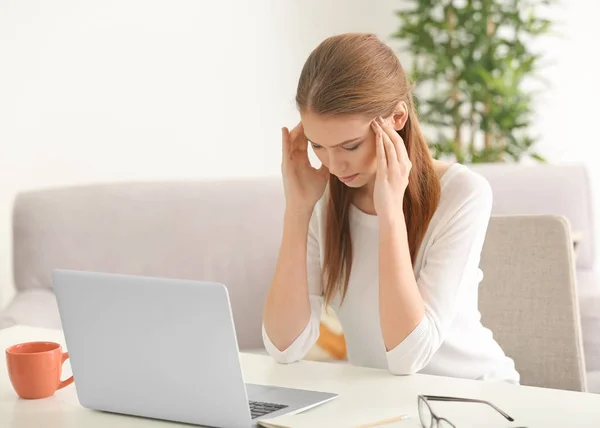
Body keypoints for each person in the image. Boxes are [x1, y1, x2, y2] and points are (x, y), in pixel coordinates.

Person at [261, 33, 519, 384]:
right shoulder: (322, 198)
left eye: (350, 146)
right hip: (382, 403)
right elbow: (284, 348)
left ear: (397, 118)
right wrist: (297, 209)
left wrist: (390, 211)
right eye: (318, 145)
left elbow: (409, 355)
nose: (334, 165)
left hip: (474, 397)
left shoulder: (462, 193)